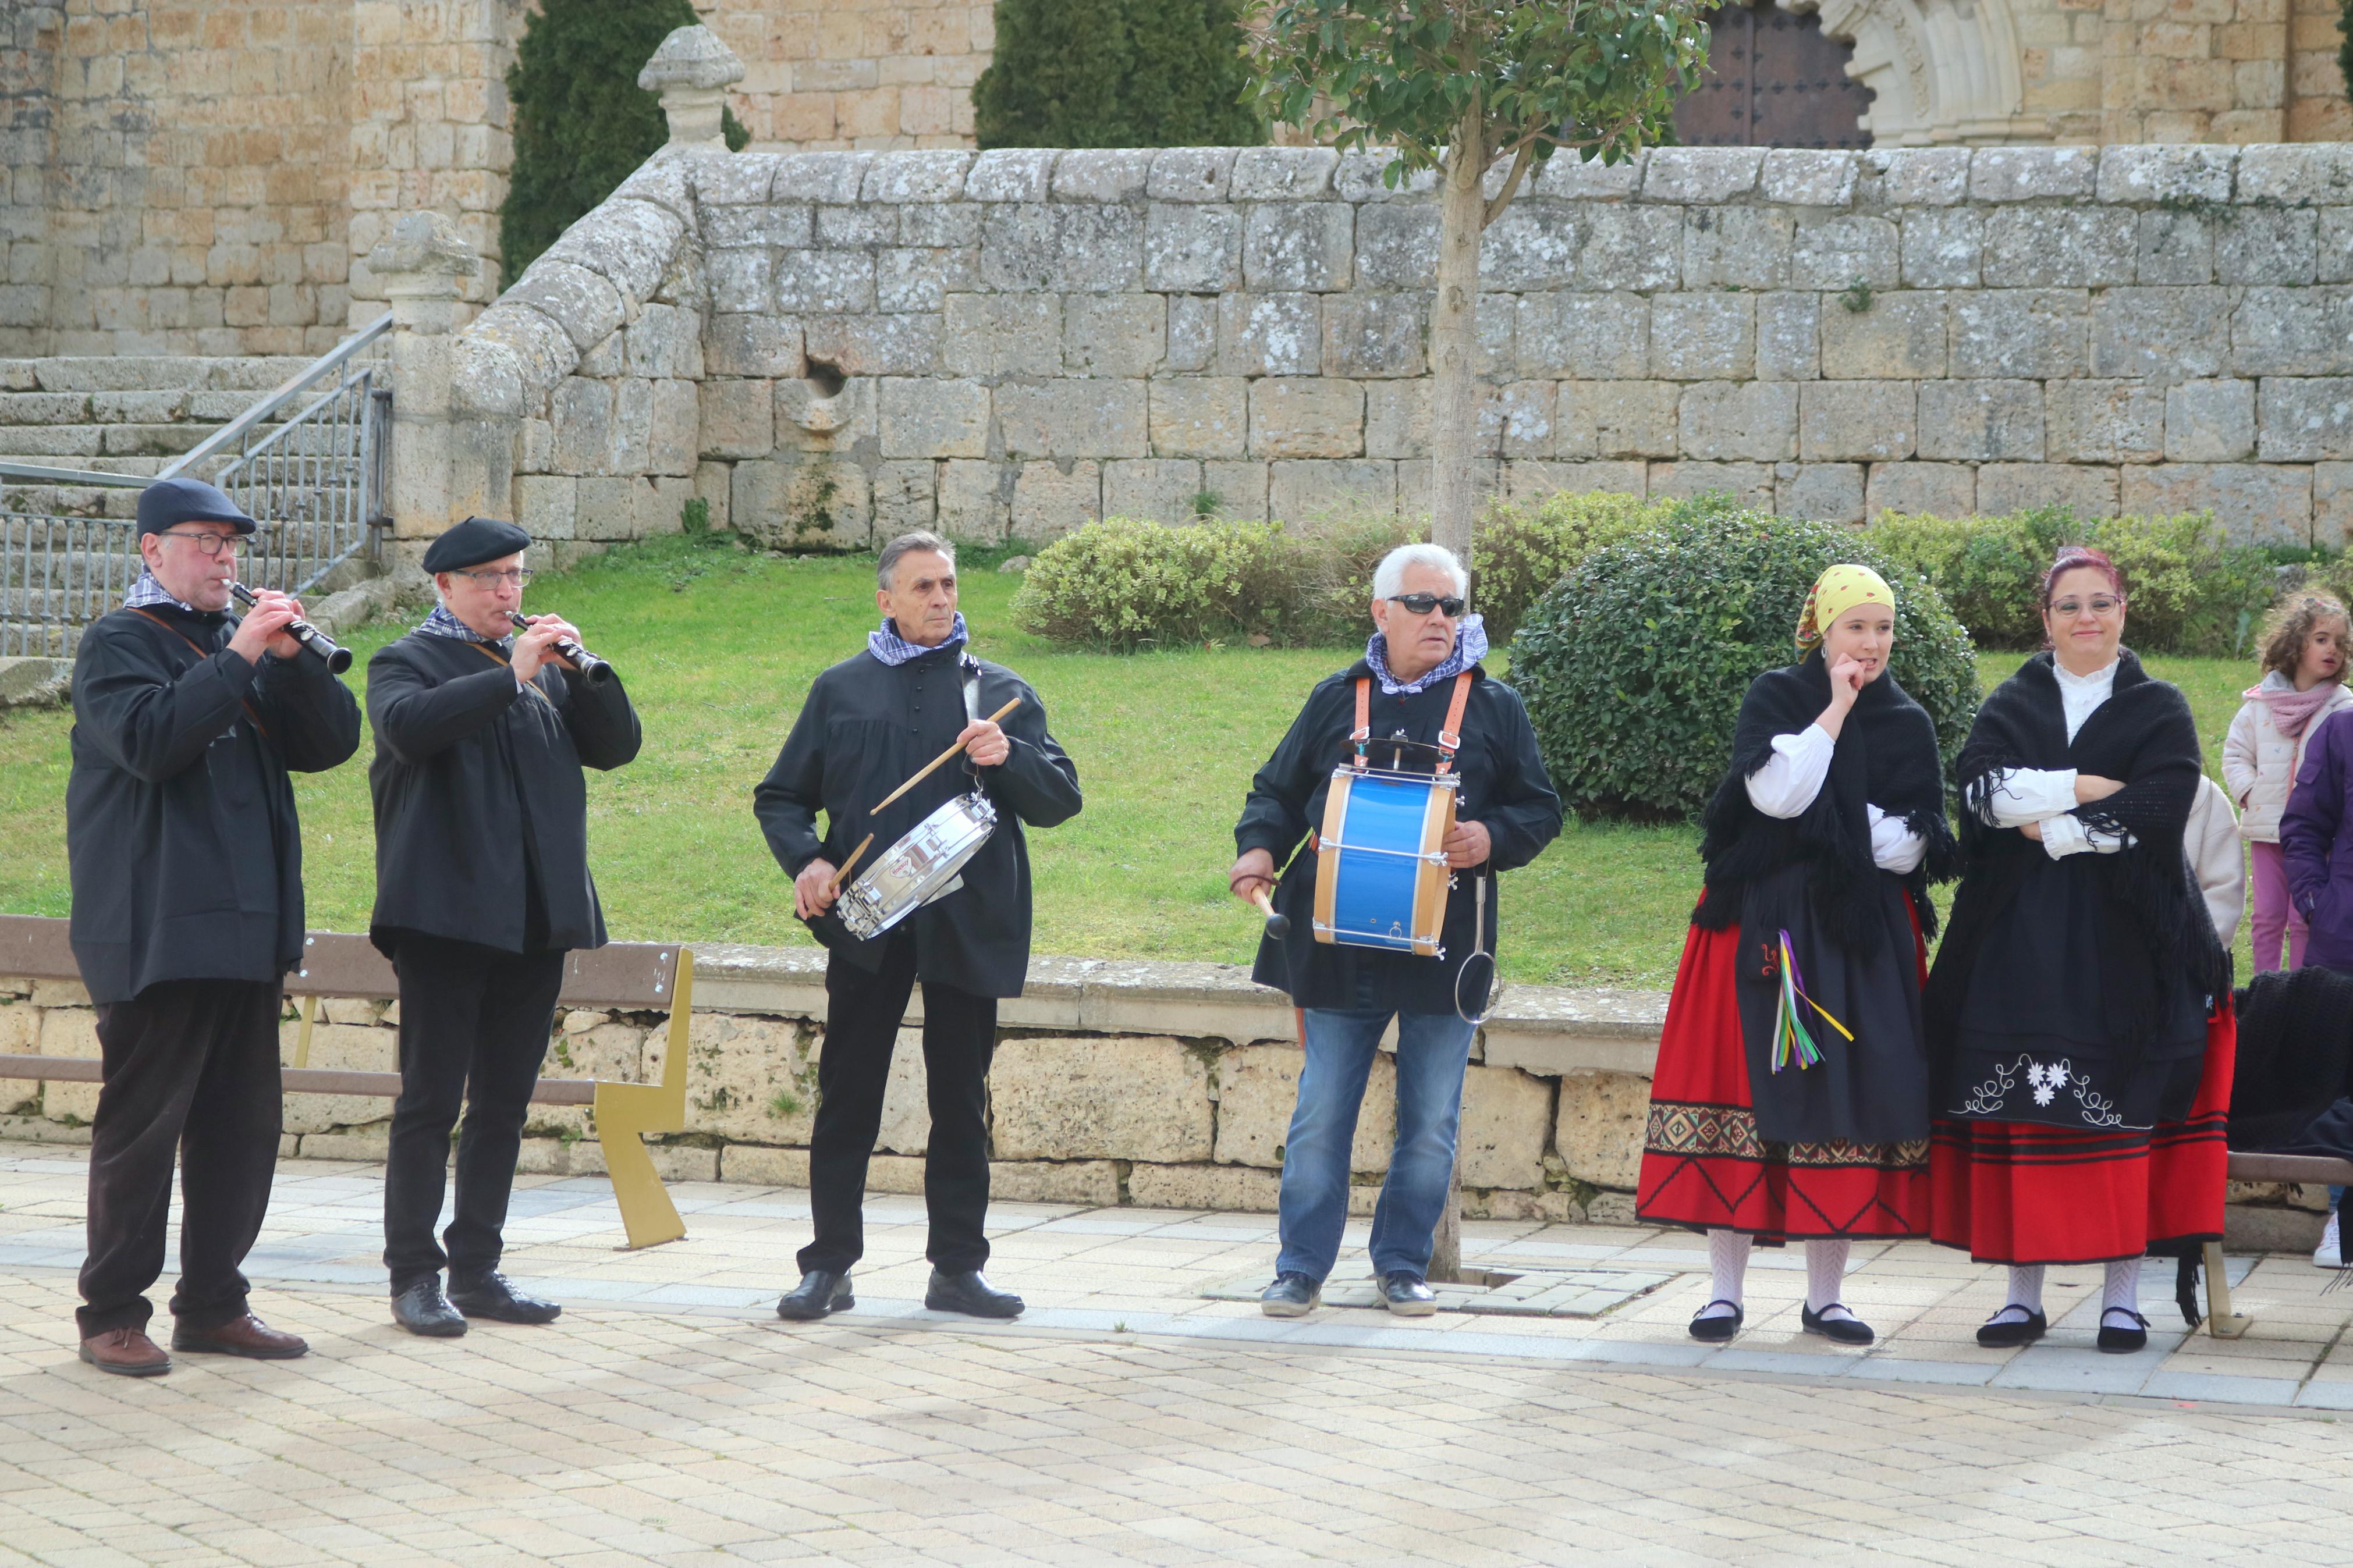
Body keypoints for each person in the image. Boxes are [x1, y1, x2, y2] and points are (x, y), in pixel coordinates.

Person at [65, 477, 361, 1375]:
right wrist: (237, 653)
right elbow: (154, 742)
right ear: (152, 550)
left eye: (233, 546)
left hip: (249, 926)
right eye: (205, 542)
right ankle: (112, 1311)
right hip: (156, 930)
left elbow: (331, 744)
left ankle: (214, 1304)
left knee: (242, 1128)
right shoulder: (118, 641)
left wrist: (296, 661)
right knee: (144, 1131)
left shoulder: (242, 648)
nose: (225, 559)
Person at [1229, 543, 1562, 1318]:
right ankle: (1299, 1268)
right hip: (1335, 948)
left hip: (1445, 952)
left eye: (1452, 605)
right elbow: (1276, 791)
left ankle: (1402, 1265)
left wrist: (1491, 837)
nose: (1440, 618)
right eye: (1422, 603)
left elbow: (1541, 807)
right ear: (1380, 612)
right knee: (1319, 1112)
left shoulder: (1493, 706)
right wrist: (1255, 849)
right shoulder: (1333, 697)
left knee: (1430, 1118)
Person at [757, 531, 1081, 1322]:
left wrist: (1009, 756)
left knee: (960, 1096)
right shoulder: (839, 690)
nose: (940, 598)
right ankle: (827, 1265)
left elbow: (1059, 799)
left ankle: (957, 1269)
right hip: (867, 922)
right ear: (885, 600)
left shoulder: (999, 691)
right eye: (922, 586)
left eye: (947, 584)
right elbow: (781, 797)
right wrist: (805, 860)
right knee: (847, 1094)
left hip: (969, 918)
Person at [1634, 565, 1954, 1346]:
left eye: (1882, 628)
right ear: (1822, 629)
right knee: (1739, 1100)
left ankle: (1825, 1297)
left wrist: (1835, 822)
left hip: (1856, 941)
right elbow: (1773, 797)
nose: (1870, 643)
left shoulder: (1908, 721)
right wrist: (1836, 710)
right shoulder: (1776, 695)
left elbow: (1911, 843)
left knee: (1840, 1106)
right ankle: (1722, 1292)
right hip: (1759, 936)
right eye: (1856, 627)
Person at [1925, 546, 2234, 1354]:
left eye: (2099, 602)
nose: (2084, 617)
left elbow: (2163, 806)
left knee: (2120, 1119)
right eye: (2068, 605)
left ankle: (2120, 1301)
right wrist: (2092, 786)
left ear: (2123, 611)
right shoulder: (2012, 697)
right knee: (2020, 1123)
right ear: (2044, 618)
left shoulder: (2158, 704)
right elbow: (1980, 793)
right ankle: (2018, 1296)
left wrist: (2051, 821)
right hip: (2015, 944)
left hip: (2129, 944)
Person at [365, 516, 643, 1337]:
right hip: (445, 921)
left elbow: (618, 748)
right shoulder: (403, 661)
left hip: (534, 922)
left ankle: (478, 1268)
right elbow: (409, 730)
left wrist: (584, 675)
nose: (506, 591)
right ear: (443, 585)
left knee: (502, 1104)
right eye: (488, 576)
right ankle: (414, 1273)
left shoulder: (544, 674)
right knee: (429, 1100)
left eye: (516, 575)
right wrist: (509, 676)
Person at [2224, 592, 2353, 972]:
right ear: (2295, 641)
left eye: (2340, 643)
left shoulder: (2342, 709)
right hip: (2267, 832)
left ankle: (2299, 990)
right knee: (2265, 917)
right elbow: (2234, 754)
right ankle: (2265, 987)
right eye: (2321, 638)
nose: (2332, 649)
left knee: (2304, 917)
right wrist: (2251, 792)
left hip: (2320, 838)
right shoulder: (2260, 704)